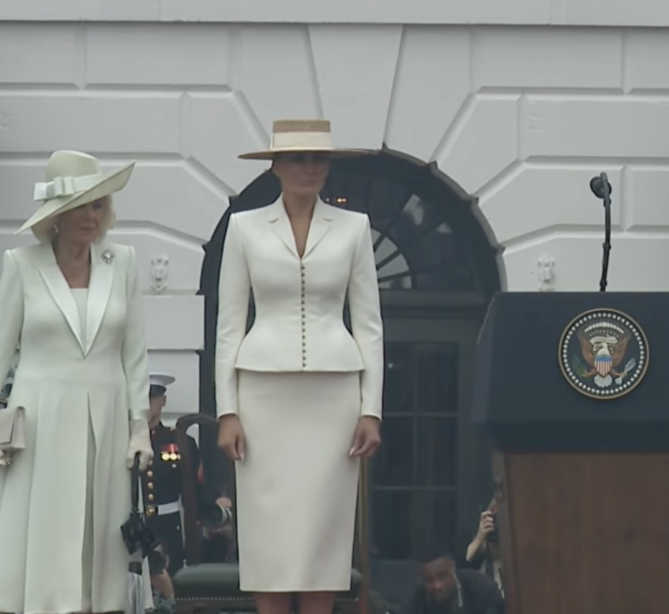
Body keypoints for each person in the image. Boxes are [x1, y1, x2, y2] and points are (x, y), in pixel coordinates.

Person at [215, 119, 384, 614]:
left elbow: (368, 324)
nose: (308, 168)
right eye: (297, 158)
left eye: (317, 159)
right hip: (262, 394)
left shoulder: (355, 227)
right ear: (275, 166)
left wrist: (371, 410)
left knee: (323, 532)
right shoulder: (244, 227)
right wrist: (227, 411)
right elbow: (229, 325)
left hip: (335, 396)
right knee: (268, 532)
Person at [0, 150, 154, 613]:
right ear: (56, 215)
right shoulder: (21, 264)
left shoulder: (122, 261)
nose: (91, 217)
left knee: (101, 537)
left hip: (108, 419)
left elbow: (134, 352)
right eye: (80, 207)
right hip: (39, 420)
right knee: (45, 530)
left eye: (98, 205)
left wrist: (139, 426)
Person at [141, 372, 199, 575]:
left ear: (163, 401)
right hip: (134, 526)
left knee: (173, 579)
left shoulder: (180, 442)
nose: (147, 403)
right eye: (142, 397)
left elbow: (196, 489)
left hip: (169, 525)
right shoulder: (121, 440)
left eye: (153, 397)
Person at [402, 548, 504, 614]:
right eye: (429, 580)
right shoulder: (421, 596)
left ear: (453, 568)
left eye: (442, 577)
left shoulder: (482, 589)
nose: (437, 586)